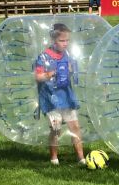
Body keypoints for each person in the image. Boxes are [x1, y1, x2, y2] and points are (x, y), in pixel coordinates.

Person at [34, 23, 85, 166]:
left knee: (75, 127)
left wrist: (71, 70)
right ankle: (54, 158)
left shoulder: (67, 55)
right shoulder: (43, 57)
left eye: (67, 40)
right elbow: (37, 77)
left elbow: (71, 72)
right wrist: (48, 74)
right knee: (56, 129)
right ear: (53, 40)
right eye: (62, 41)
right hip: (51, 99)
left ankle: (81, 158)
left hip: (67, 97)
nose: (65, 44)